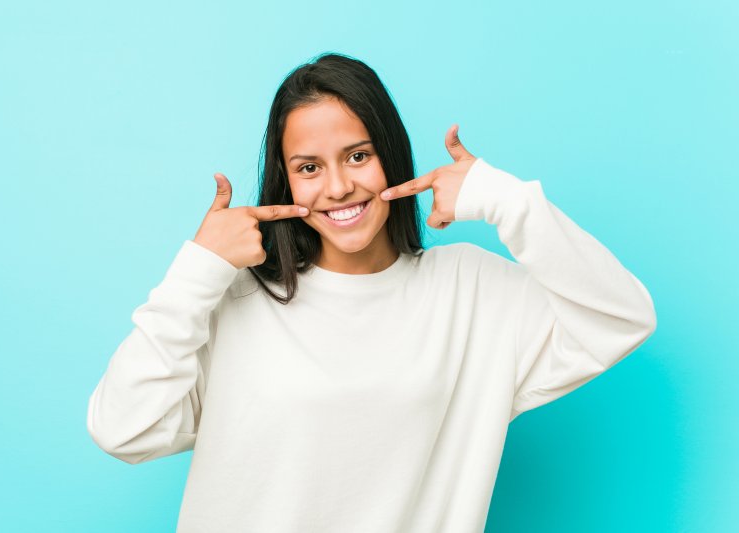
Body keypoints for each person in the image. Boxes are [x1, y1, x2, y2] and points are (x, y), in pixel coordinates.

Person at [87, 52, 657, 533]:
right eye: (309, 167)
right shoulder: (235, 300)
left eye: (359, 156)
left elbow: (621, 318)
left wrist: (508, 201)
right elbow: (122, 429)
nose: (339, 186)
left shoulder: (472, 292)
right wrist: (199, 270)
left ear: (391, 153)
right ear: (286, 181)